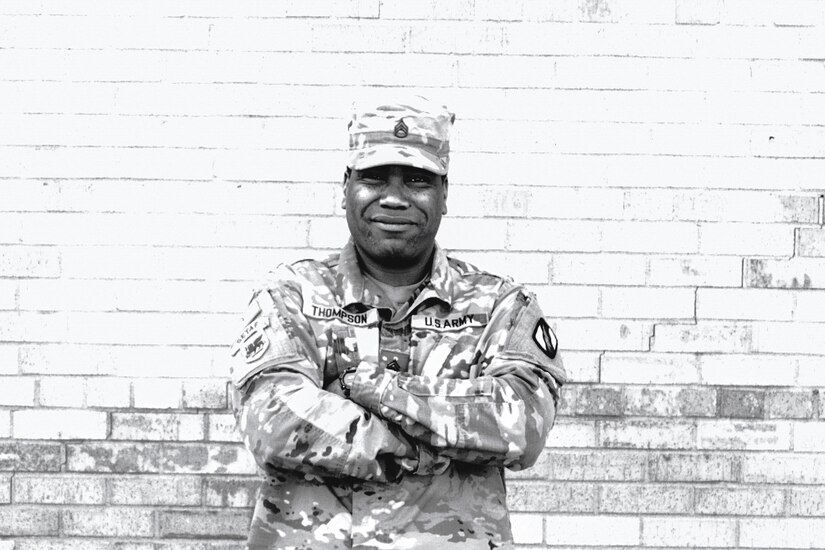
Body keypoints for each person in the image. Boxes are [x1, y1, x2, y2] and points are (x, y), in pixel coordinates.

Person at [230, 95, 567, 549]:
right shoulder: (292, 295)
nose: (394, 197)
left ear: (444, 194)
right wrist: (429, 444)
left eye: (416, 179)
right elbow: (273, 423)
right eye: (373, 178)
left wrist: (377, 390)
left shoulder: (500, 307)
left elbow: (521, 424)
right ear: (345, 186)